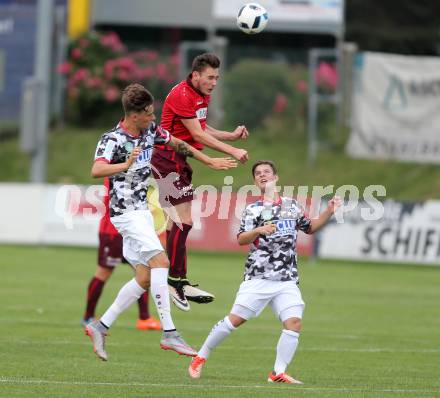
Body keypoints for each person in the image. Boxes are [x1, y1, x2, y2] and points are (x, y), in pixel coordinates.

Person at [85, 83, 236, 361]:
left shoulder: (150, 132)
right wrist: (124, 165)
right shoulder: (113, 139)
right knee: (162, 263)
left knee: (144, 277)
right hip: (125, 213)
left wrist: (209, 161)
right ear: (134, 115)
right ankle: (169, 333)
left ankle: (100, 325)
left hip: (140, 211)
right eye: (149, 114)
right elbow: (96, 169)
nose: (153, 118)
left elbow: (178, 143)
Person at [188, 160, 342, 383]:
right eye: (258, 173)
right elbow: (241, 239)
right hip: (259, 276)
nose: (262, 175)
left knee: (294, 323)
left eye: (266, 172)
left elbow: (309, 228)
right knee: (235, 320)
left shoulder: (292, 205)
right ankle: (200, 357)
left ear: (276, 177)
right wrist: (259, 230)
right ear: (254, 181)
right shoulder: (253, 209)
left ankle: (277, 372)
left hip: (287, 279)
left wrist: (329, 211)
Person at [152, 52, 250, 311]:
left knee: (179, 223)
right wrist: (232, 152)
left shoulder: (199, 93)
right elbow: (196, 133)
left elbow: (201, 128)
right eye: (210, 77)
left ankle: (177, 278)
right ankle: (174, 280)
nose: (214, 82)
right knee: (182, 221)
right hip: (166, 158)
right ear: (195, 75)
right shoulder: (183, 94)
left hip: (179, 159)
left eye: (217, 77)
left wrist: (229, 137)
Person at [82, 177, 161, 331]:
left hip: (133, 230)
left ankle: (144, 318)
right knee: (104, 271)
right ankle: (88, 317)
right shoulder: (115, 166)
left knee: (143, 272)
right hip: (113, 231)